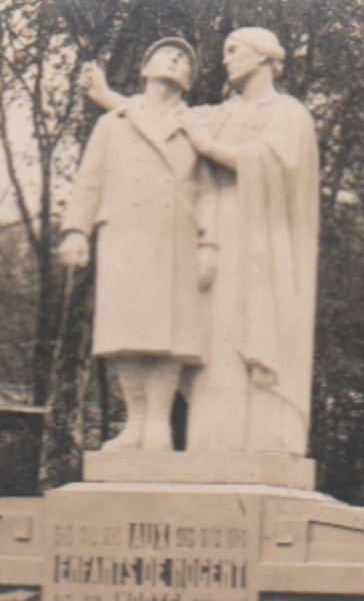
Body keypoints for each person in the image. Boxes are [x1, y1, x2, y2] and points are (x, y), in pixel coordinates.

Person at [82, 28, 319, 456]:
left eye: (234, 50)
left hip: (260, 245)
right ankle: (211, 444)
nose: (224, 59)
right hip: (216, 241)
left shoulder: (288, 112)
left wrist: (209, 147)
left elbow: (277, 163)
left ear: (264, 57)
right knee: (215, 341)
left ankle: (266, 444)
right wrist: (107, 97)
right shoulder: (221, 113)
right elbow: (160, 121)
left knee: (254, 334)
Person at [58, 38, 218, 452]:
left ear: (190, 81)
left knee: (168, 332)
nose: (178, 59)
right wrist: (76, 231)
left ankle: (159, 426)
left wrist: (210, 244)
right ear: (145, 68)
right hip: (123, 236)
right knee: (123, 330)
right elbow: (90, 179)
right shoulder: (113, 123)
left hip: (175, 236)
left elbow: (210, 191)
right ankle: (136, 421)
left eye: (185, 59)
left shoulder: (198, 125)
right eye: (168, 53)